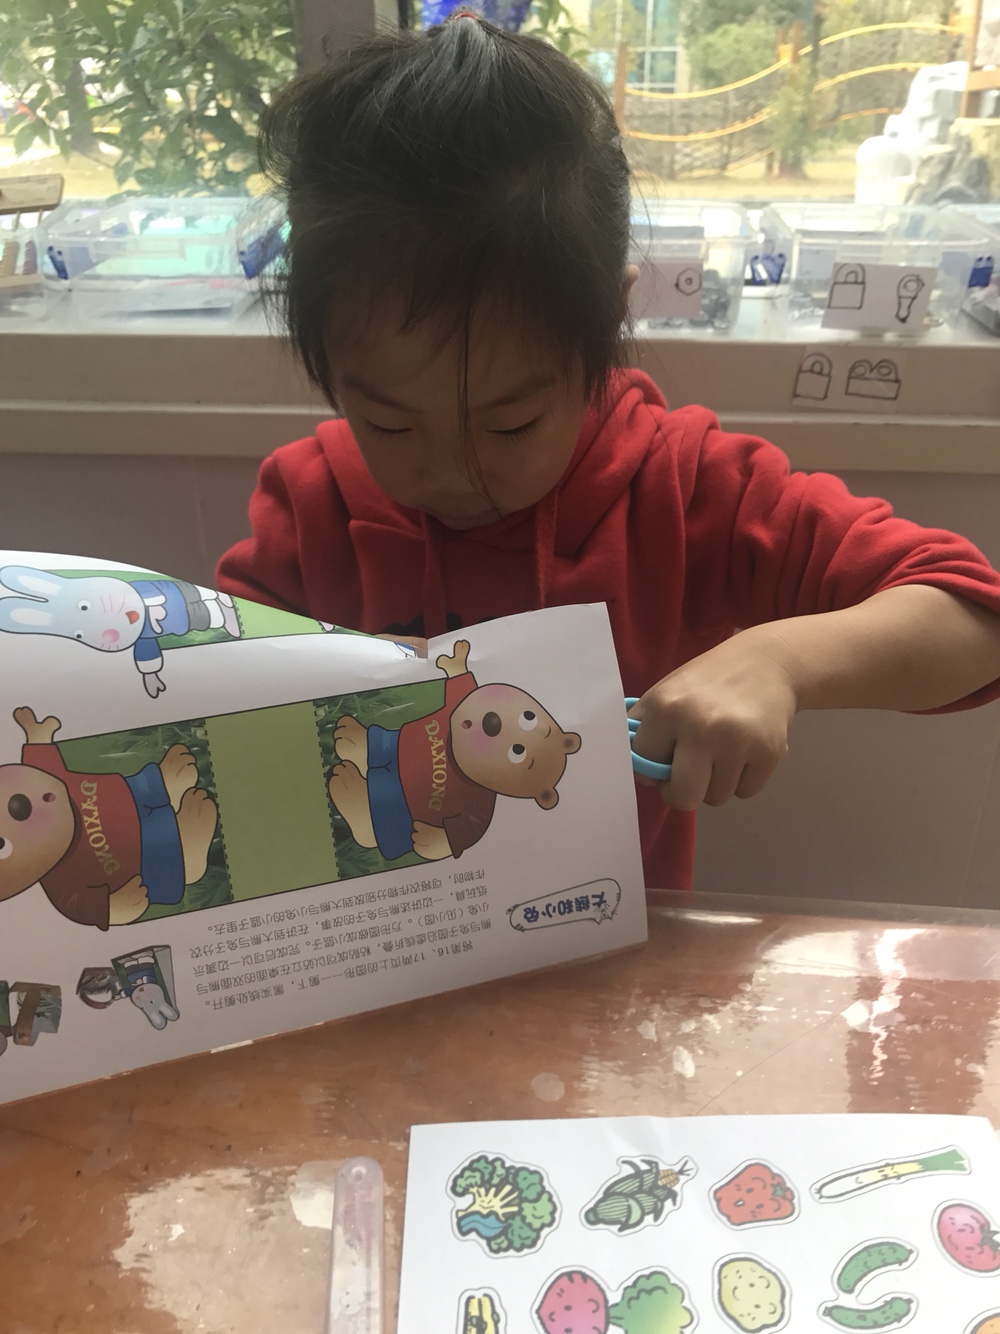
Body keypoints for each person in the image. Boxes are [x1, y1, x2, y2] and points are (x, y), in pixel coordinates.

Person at [217, 13, 1000, 894]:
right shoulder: (311, 504)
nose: (454, 473)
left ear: (606, 321)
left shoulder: (685, 487)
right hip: (380, 944)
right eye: (390, 425)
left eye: (511, 424)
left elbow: (972, 618)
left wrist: (778, 663)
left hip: (611, 955)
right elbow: (217, 717)